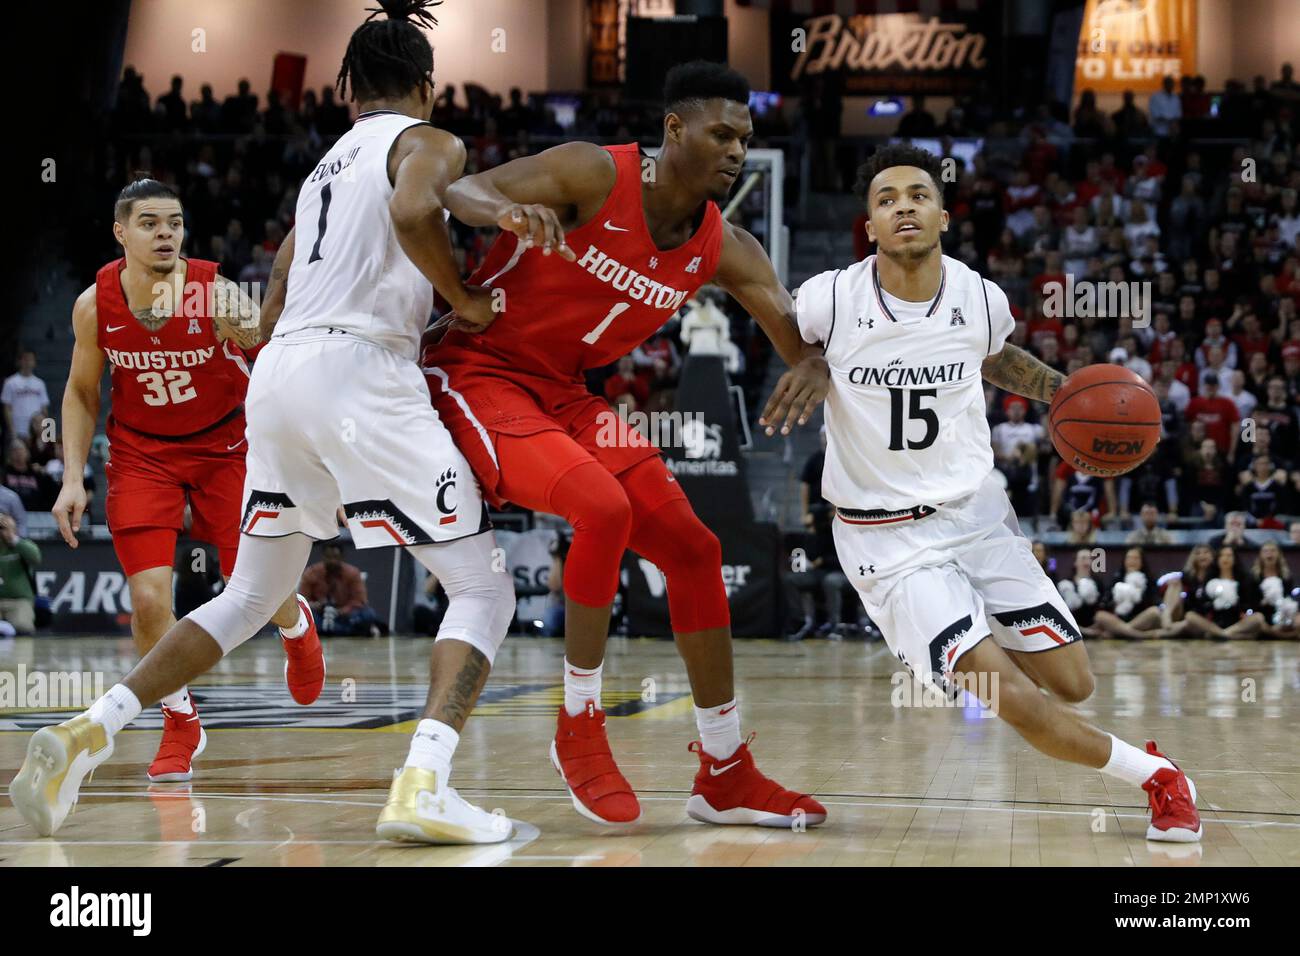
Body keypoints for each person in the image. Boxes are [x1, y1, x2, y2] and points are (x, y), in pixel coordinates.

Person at [10, 0, 515, 845]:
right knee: (482, 584)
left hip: (280, 377)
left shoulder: (320, 174)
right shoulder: (427, 142)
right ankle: (424, 781)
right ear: (425, 88)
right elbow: (414, 212)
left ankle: (86, 729)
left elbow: (277, 298)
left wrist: (404, 324)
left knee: (250, 593)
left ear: (349, 89)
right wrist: (463, 299)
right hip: (358, 372)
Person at [423, 60, 827, 827]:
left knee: (694, 548)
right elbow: (459, 190)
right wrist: (503, 213)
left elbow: (787, 321)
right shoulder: (590, 173)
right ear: (674, 130)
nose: (737, 150)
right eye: (721, 133)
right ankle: (577, 725)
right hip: (480, 372)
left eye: (745, 138)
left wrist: (811, 364)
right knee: (602, 509)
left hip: (569, 395)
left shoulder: (721, 244)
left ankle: (725, 769)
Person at [793, 143, 1201, 842]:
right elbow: (787, 331)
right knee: (1006, 696)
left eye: (917, 195)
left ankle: (971, 655)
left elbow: (993, 356)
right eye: (886, 200)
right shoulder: (829, 297)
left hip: (979, 518)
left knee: (1074, 684)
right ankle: (1161, 779)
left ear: (944, 215)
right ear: (869, 226)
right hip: (887, 543)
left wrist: (1058, 392)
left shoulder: (979, 297)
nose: (903, 208)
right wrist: (806, 360)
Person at [38, 176, 322, 786]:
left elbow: (272, 355)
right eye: (149, 223)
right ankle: (179, 719)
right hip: (143, 454)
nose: (165, 233)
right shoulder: (95, 304)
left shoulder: (213, 295)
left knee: (252, 589)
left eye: (174, 222)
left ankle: (295, 623)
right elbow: (82, 392)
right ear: (121, 233)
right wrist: (71, 477)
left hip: (227, 446)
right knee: (147, 602)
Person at [1165, 544, 1268, 639]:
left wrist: (1241, 609)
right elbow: (1202, 604)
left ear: (1234, 559)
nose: (1226, 559)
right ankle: (1226, 634)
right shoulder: (1210, 579)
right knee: (1190, 616)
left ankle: (1224, 634)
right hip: (1214, 621)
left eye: (1229, 556)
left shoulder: (1243, 580)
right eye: (1222, 556)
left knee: (1258, 618)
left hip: (1236, 621)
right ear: (1217, 559)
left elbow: (1248, 603)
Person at [300, 543, 381, 637]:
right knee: (303, 617)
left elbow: (359, 601)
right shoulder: (311, 573)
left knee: (368, 614)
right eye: (328, 557)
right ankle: (339, 631)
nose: (332, 561)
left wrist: (340, 611)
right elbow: (302, 601)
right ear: (323, 557)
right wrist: (318, 606)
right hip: (320, 615)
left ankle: (329, 631)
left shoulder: (353, 573)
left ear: (342, 557)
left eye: (335, 557)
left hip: (344, 616)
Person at [1088, 547, 1166, 639]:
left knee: (1154, 612)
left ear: (1142, 562)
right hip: (1118, 620)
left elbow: (1155, 602)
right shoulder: (1117, 579)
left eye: (1136, 558)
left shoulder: (1148, 580)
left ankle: (1119, 633)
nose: (1132, 561)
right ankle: (1139, 635)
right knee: (1100, 616)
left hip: (1140, 619)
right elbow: (1106, 603)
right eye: (1129, 558)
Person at [0, 512, 39, 635]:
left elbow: (36, 558)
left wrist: (12, 538)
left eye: (4, 528)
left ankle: (21, 654)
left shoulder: (21, 545)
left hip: (19, 601)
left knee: (23, 627)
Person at [2, 350, 49, 450]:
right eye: (25, 359)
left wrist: (45, 433)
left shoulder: (39, 383)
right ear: (19, 362)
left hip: (36, 432)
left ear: (34, 362)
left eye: (30, 359)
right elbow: (7, 408)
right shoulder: (10, 382)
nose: (27, 362)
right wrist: (13, 432)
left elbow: (44, 410)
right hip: (18, 431)